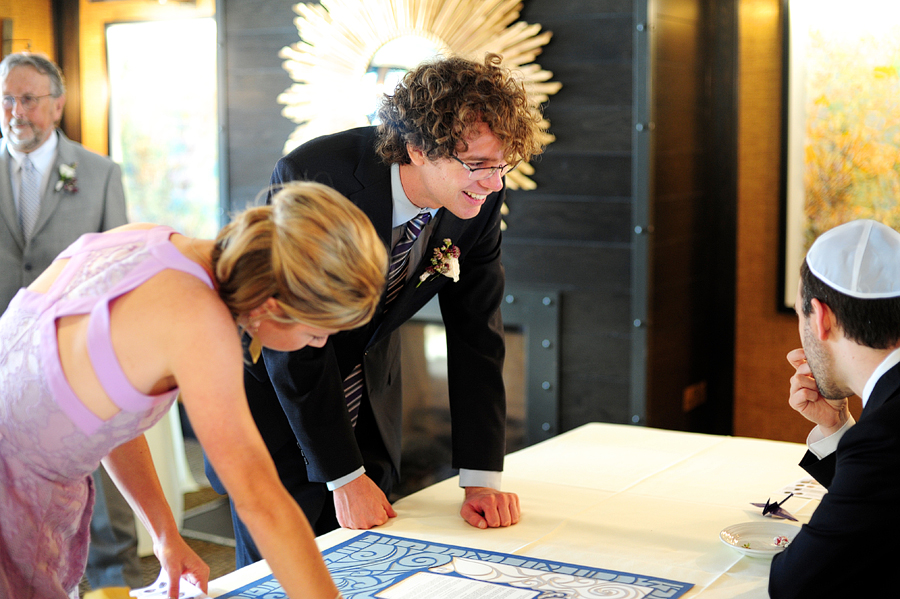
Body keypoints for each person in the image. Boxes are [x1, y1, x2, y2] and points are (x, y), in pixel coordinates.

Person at [206, 52, 546, 567]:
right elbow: (292, 329)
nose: (494, 183)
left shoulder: (479, 198)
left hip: (372, 401)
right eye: (477, 165)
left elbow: (479, 333)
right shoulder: (317, 172)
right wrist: (343, 475)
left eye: (503, 165)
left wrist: (479, 479)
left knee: (372, 566)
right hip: (280, 411)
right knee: (282, 572)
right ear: (417, 148)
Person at [0, 181, 387, 599]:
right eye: (315, 335)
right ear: (271, 307)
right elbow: (259, 499)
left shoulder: (151, 239)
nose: (320, 346)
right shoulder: (202, 321)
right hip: (17, 504)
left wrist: (165, 532)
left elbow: (104, 415)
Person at [0, 51, 141, 593]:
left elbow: (118, 270)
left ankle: (113, 583)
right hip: (4, 360)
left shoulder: (100, 174)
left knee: (101, 493)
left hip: (75, 360)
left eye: (29, 99)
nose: (17, 112)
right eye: (8, 100)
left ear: (57, 106)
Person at [770, 219, 900, 597]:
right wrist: (838, 428)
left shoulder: (883, 437)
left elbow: (795, 584)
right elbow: (881, 509)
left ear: (821, 317)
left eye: (800, 316)